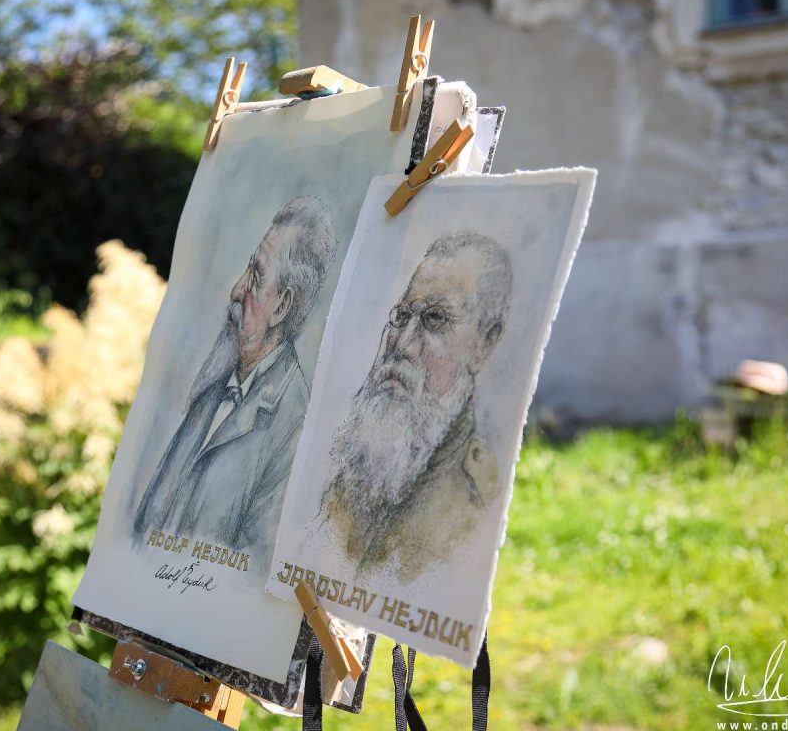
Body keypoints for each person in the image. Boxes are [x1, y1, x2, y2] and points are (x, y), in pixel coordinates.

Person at [132, 197, 336, 550]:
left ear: (282, 306)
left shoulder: (294, 424)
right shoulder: (215, 387)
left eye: (255, 276)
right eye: (247, 270)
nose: (237, 290)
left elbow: (250, 568)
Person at [318, 232, 513, 582]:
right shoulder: (359, 468)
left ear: (483, 343)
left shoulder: (470, 503)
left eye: (435, 318)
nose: (403, 344)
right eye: (402, 315)